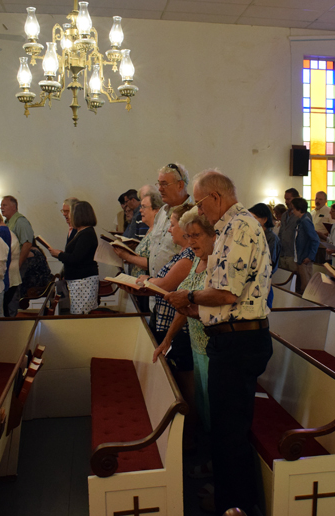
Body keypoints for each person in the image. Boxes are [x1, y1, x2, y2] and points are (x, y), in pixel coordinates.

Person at [166, 170, 272, 516]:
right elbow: (226, 302)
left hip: (240, 343)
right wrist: (196, 309)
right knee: (227, 429)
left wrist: (190, 295)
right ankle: (231, 499)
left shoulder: (240, 226)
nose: (199, 210)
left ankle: (237, 505)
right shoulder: (229, 229)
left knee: (231, 433)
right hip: (230, 338)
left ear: (216, 198)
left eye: (199, 203)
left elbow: (227, 292)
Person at [156, 207, 216, 432]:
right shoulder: (196, 263)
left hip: (213, 348)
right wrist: (167, 340)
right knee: (201, 404)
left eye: (197, 235)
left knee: (214, 407)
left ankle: (214, 458)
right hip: (196, 346)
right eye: (188, 235)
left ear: (213, 236)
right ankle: (206, 454)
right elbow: (184, 306)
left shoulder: (217, 266)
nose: (191, 241)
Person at [115, 164, 191, 281]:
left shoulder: (192, 215)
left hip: (175, 289)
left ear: (180, 185)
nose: (160, 189)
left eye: (164, 184)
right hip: (153, 286)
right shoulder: (161, 213)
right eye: (159, 184)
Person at [44, 201, 99, 315]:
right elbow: (77, 254)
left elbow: (76, 258)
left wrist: (59, 255)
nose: (69, 216)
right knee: (76, 312)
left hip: (83, 281)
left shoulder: (87, 234)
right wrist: (61, 253)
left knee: (81, 315)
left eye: (71, 213)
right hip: (78, 280)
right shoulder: (82, 232)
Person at [249, 203, 281, 307]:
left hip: (264, 282)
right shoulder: (254, 235)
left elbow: (269, 263)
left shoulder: (271, 238)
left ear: (264, 219)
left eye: (254, 218)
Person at [290, 197, 320, 294]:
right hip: (299, 258)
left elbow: (315, 239)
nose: (292, 211)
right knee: (300, 285)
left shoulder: (305, 221)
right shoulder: (300, 221)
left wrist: (310, 256)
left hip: (304, 259)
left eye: (294, 209)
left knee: (306, 286)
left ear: (299, 209)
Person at [0, 195, 35, 269]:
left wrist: (18, 264)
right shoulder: (6, 222)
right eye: (1, 205)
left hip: (22, 264)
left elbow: (27, 244)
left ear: (13, 207)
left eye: (4, 205)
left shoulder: (21, 222)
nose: (1, 208)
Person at [278, 188, 300, 277]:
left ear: (296, 199)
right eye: (285, 199)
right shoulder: (284, 215)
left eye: (288, 199)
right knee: (283, 278)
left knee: (294, 281)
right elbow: (281, 232)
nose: (286, 202)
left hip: (293, 254)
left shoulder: (301, 215)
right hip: (283, 253)